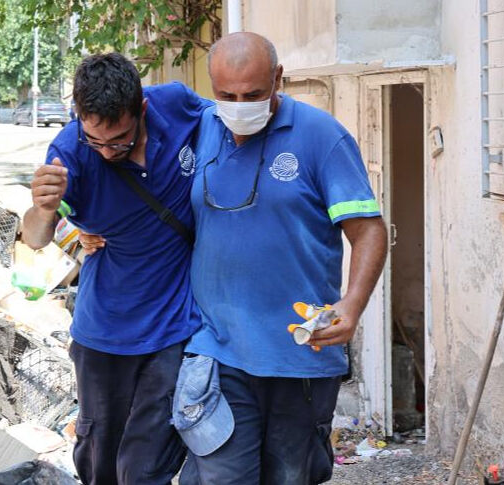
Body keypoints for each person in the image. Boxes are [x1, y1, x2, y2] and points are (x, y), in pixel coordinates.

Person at [176, 32, 389, 484]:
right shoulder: (201, 129)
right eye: (225, 95)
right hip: (219, 351)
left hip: (300, 355)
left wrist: (351, 305)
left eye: (252, 94)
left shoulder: (321, 137)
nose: (238, 105)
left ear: (277, 79)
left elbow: (368, 229)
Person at [21, 53, 209, 485]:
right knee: (100, 462)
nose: (106, 152)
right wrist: (42, 207)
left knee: (146, 467)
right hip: (103, 335)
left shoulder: (177, 105)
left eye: (119, 140)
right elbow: (35, 237)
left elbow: (228, 129)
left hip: (171, 331)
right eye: (95, 140)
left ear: (142, 110)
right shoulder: (70, 153)